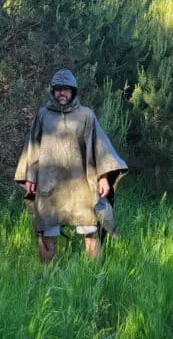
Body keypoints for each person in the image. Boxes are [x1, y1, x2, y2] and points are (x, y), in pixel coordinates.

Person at [14, 68, 128, 264]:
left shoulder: (86, 115)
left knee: (90, 231)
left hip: (81, 186)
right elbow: (32, 146)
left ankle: (92, 276)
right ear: (53, 91)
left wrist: (103, 178)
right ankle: (46, 277)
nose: (62, 93)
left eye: (66, 89)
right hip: (49, 185)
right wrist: (29, 177)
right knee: (45, 232)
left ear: (73, 91)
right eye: (58, 89)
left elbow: (99, 146)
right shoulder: (43, 115)